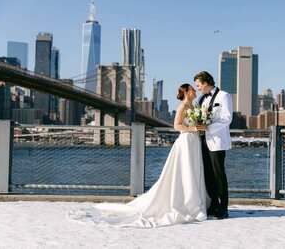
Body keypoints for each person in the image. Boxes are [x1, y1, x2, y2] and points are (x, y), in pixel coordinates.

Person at [69, 84, 207, 228]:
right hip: (185, 142)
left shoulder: (193, 107)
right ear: (186, 92)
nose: (194, 90)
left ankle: (192, 200)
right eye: (192, 88)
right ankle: (186, 202)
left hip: (194, 142)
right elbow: (177, 125)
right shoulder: (182, 107)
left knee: (193, 170)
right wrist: (192, 128)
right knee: (184, 171)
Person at [194, 71, 233, 220]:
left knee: (219, 175)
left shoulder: (224, 96)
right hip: (203, 141)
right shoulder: (200, 98)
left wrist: (209, 127)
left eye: (198, 85)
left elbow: (227, 118)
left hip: (217, 141)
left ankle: (223, 208)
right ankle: (213, 204)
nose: (197, 88)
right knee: (208, 175)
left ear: (205, 83)